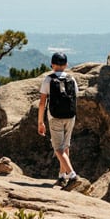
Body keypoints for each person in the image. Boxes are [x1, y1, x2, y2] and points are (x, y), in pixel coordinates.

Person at [38, 51, 79, 188]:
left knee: (58, 149)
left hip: (55, 117)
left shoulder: (48, 80)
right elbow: (75, 98)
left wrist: (40, 122)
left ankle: (72, 175)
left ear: (52, 64)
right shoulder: (71, 79)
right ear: (66, 65)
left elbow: (42, 103)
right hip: (70, 116)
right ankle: (62, 177)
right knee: (65, 146)